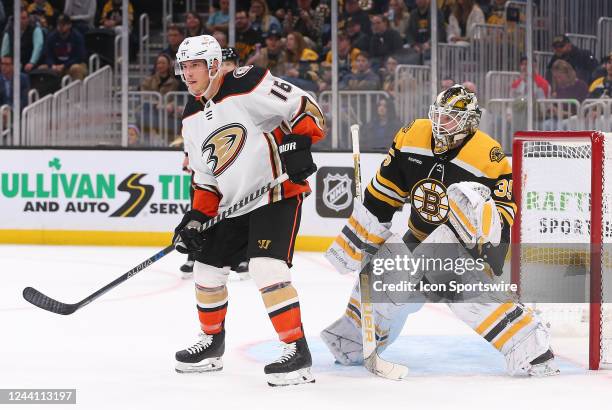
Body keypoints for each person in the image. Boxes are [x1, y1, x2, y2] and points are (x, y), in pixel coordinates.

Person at [322, 84, 559, 378]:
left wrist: (489, 258)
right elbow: (384, 193)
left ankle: (532, 348)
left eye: (450, 118)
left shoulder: (489, 156)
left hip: (462, 249)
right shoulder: (413, 136)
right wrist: (363, 239)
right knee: (381, 273)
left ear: (470, 122)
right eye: (438, 115)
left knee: (466, 291)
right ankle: (354, 343)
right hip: (418, 238)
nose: (439, 124)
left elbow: (502, 217)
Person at [172, 35, 325, 386]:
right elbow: (205, 176)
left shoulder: (246, 82)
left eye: (195, 64)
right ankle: (211, 344)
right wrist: (196, 217)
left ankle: (297, 352)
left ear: (213, 65)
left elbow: (304, 106)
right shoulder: (191, 115)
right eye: (184, 66)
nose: (188, 72)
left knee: (265, 267)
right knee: (207, 269)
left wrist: (299, 144)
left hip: (276, 193)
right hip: (234, 204)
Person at [40, 14, 87, 80]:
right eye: (59, 25)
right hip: (56, 65)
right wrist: (52, 65)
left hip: (73, 64)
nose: (60, 27)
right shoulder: (51, 36)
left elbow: (80, 57)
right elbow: (47, 54)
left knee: (76, 68)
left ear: (70, 25)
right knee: (42, 69)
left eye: (63, 25)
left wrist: (64, 65)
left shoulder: (77, 37)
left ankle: (77, 90)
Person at [404, 0, 446, 64]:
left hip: (433, 46)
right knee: (406, 52)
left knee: (427, 55)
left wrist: (429, 43)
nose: (419, 1)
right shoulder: (413, 14)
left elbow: (440, 31)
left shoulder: (436, 12)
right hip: (418, 46)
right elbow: (408, 32)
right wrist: (413, 44)